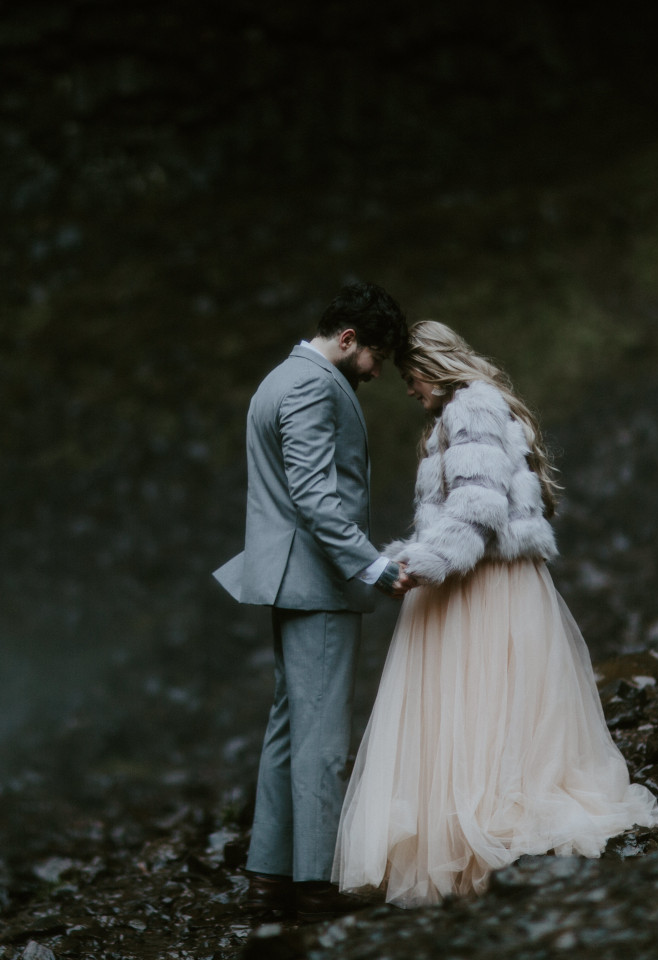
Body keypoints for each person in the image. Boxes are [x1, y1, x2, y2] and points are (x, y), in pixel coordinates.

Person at [331, 320, 658, 907]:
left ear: (435, 365)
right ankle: (469, 833)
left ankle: (481, 836)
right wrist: (414, 557)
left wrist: (417, 566)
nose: (409, 389)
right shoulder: (467, 410)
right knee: (491, 705)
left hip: (481, 582)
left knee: (480, 701)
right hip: (485, 578)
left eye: (411, 377)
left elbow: (477, 510)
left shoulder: (471, 408)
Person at [212, 281, 414, 923]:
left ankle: (270, 877)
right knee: (323, 737)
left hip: (290, 578)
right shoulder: (310, 385)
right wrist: (374, 565)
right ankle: (315, 886)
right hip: (317, 581)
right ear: (348, 338)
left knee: (288, 728)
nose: (378, 372)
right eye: (375, 357)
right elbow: (314, 497)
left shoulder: (281, 377)